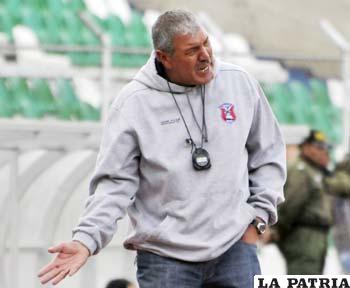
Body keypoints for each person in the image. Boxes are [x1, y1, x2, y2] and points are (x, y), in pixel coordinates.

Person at [38, 9, 286, 287]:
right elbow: (114, 183)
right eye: (192, 50)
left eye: (206, 43)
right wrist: (85, 240)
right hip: (166, 259)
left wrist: (258, 220)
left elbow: (269, 154)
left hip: (235, 250)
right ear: (163, 57)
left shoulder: (239, 83)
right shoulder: (133, 103)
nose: (205, 56)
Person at [272, 130, 350, 274]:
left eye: (326, 148)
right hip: (303, 237)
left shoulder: (315, 171)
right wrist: (278, 230)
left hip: (314, 237)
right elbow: (291, 204)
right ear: (306, 147)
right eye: (319, 147)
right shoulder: (301, 169)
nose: (324, 152)